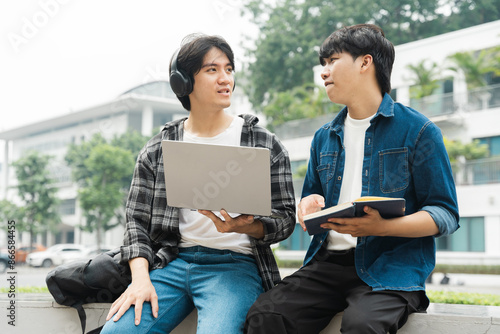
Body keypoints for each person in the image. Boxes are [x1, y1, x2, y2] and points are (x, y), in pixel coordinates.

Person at [245, 24, 459, 334]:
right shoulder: (324, 138)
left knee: (363, 325)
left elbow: (445, 212)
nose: (324, 72)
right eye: (323, 64)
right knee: (267, 315)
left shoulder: (420, 131)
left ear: (364, 63)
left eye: (332, 60)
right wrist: (307, 205)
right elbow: (311, 198)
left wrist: (383, 227)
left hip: (391, 268)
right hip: (328, 264)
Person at [101, 34, 296, 334]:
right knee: (117, 332)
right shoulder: (158, 148)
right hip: (172, 263)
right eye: (212, 70)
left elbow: (285, 219)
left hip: (234, 266)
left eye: (229, 69)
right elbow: (135, 223)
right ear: (184, 83)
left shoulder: (263, 143)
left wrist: (245, 226)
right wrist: (141, 279)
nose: (225, 79)